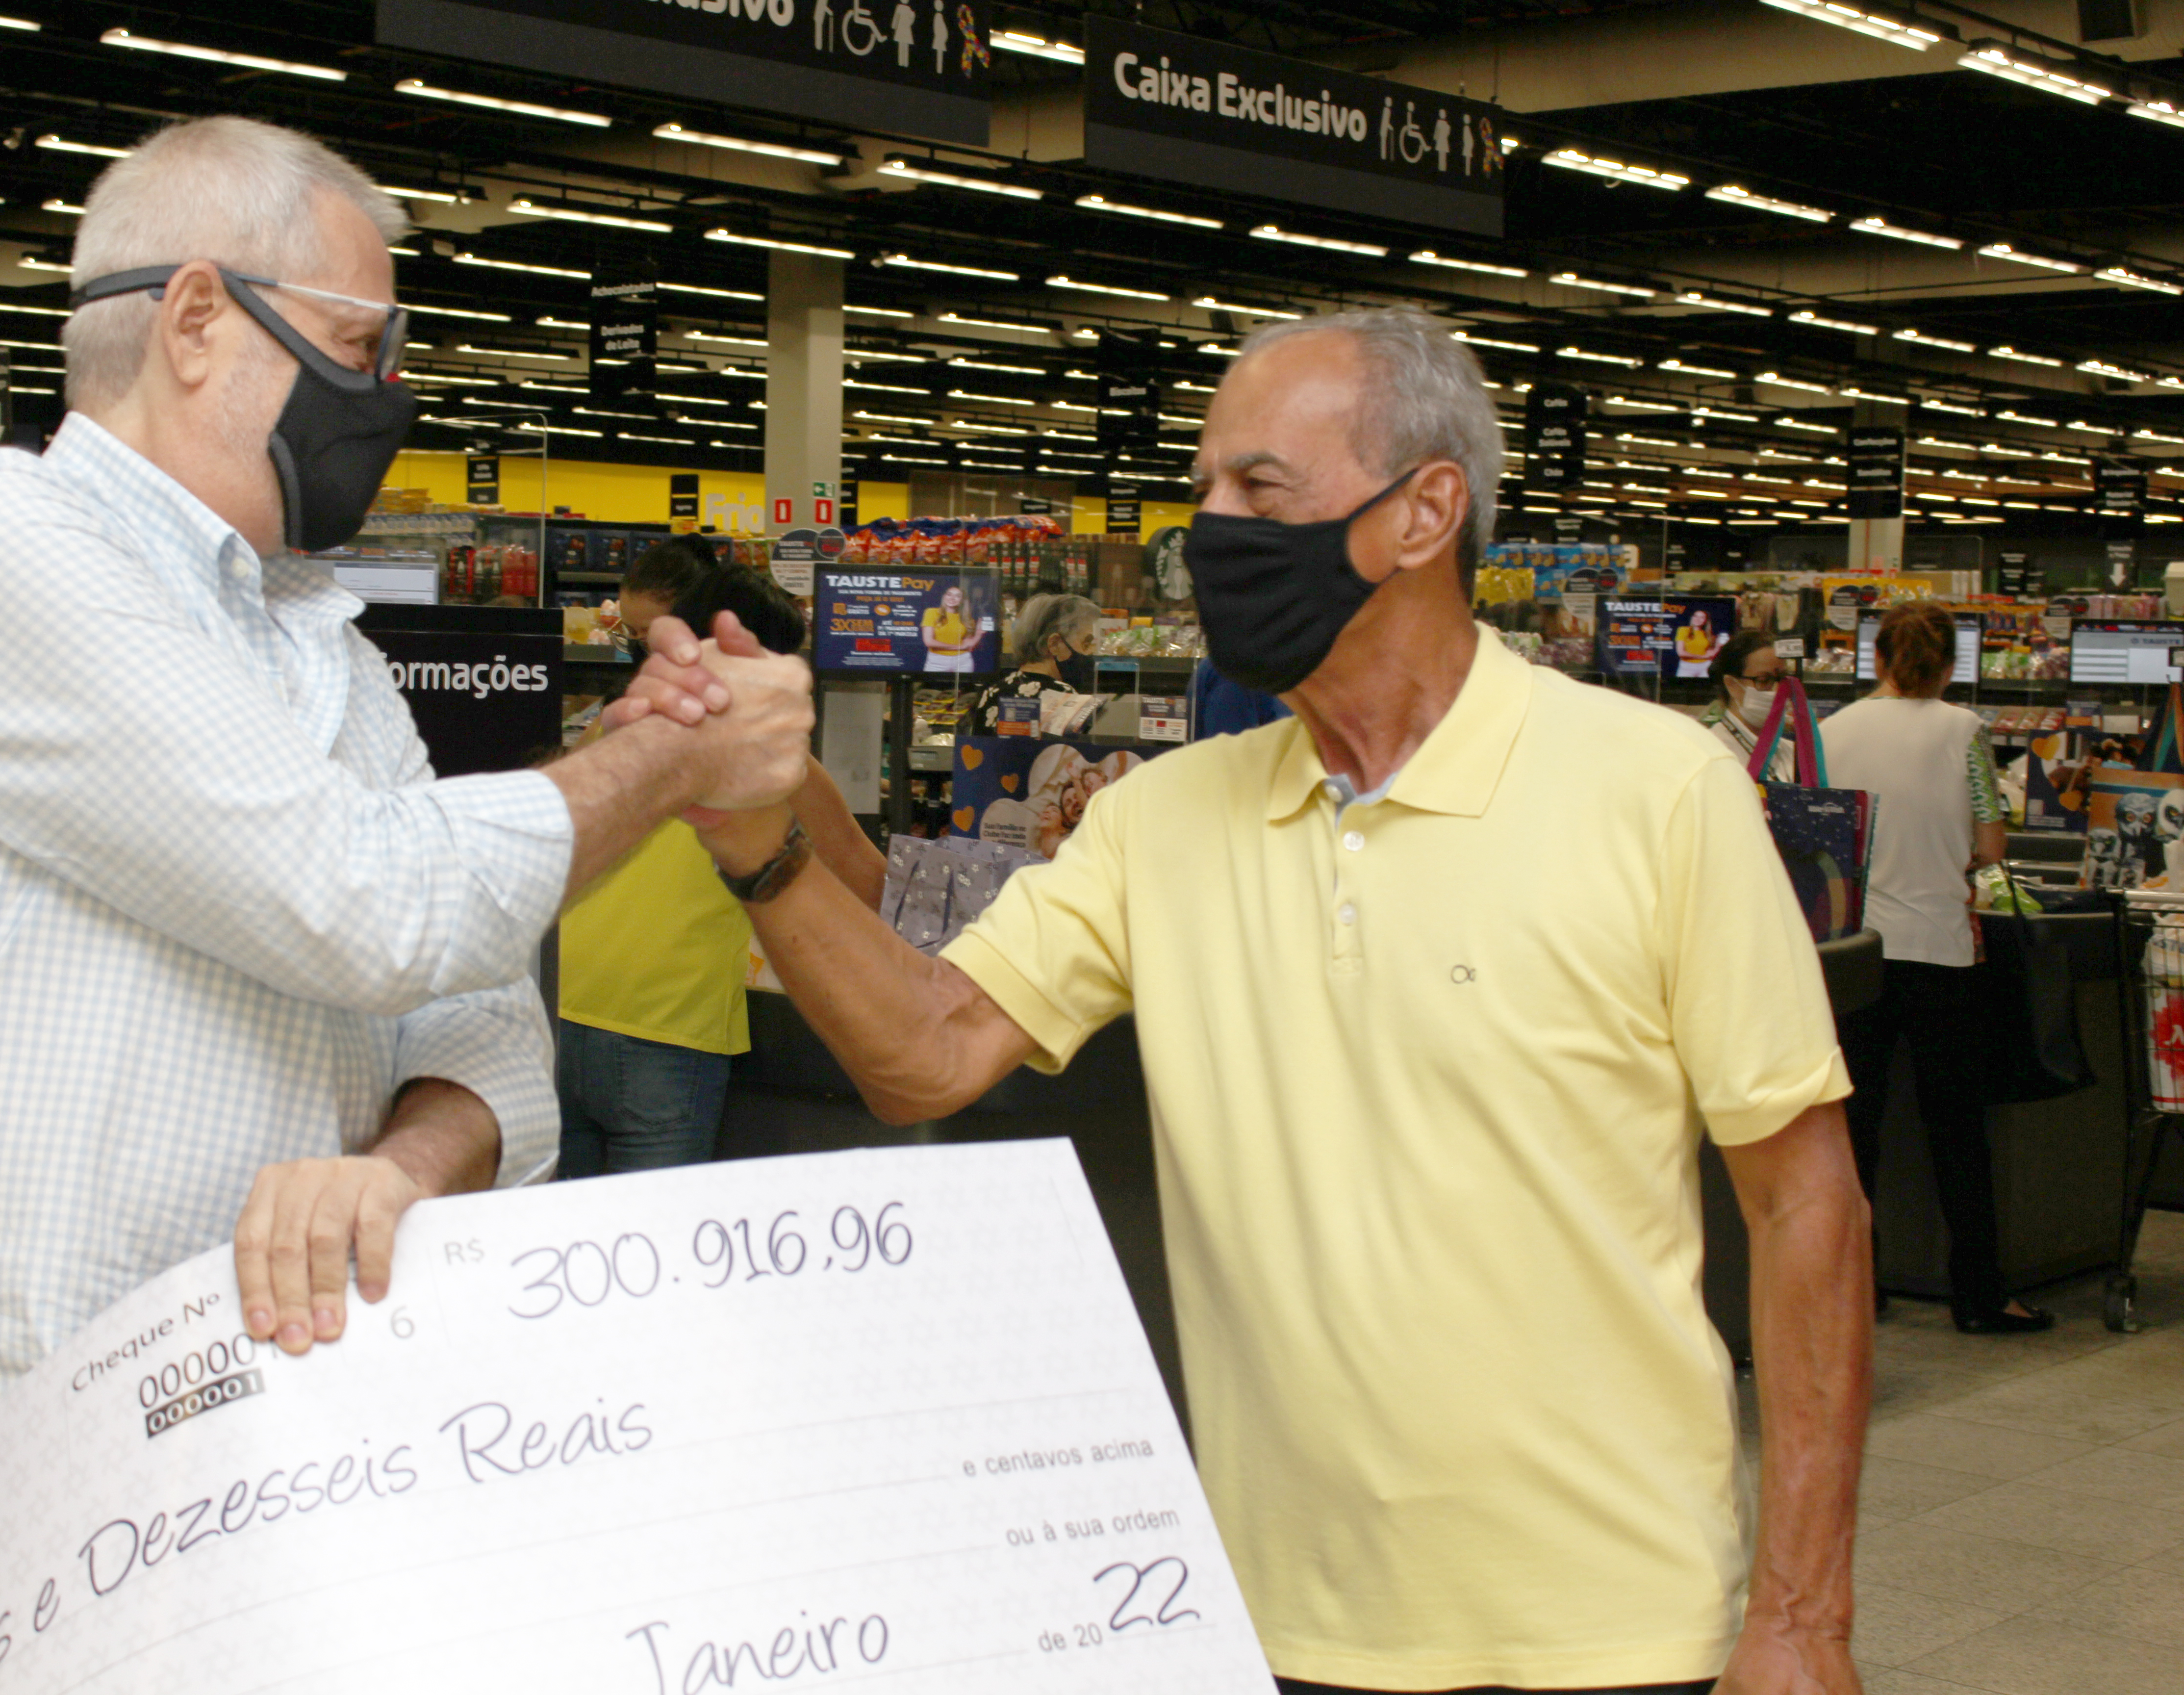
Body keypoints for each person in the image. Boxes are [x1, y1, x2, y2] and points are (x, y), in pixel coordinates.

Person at [628, 308, 1872, 1694]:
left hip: (1611, 1628)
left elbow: (1804, 1204)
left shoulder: (1658, 790)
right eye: (1204, 487)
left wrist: (1803, 1618)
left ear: (1425, 513)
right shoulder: (1161, 821)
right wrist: (759, 841)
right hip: (1266, 1625)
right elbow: (924, 1054)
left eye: (1257, 490)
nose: (1204, 531)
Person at [0, 116, 813, 1635]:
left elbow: (487, 1041)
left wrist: (395, 1174)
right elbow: (370, 897)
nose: (382, 396)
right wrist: (668, 758)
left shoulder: (319, 652)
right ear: (197, 320)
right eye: (357, 344)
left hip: (247, 1477)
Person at [558, 552, 884, 1177]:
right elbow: (867, 882)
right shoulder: (776, 764)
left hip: (565, 1011)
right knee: (657, 1255)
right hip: (666, 1028)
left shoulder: (615, 725)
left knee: (577, 1250)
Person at [1820, 602, 2045, 1334]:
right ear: (1950, 665)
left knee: (1856, 1130)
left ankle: (1859, 1286)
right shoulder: (1965, 732)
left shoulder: (1830, 734)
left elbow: (1816, 842)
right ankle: (1980, 1296)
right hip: (1940, 952)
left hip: (1854, 954)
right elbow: (1990, 843)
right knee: (1957, 1129)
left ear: (1877, 659)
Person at [960, 591, 1099, 735]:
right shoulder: (1065, 696)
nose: (1090, 653)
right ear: (1055, 644)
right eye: (1086, 644)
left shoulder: (991, 692)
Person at [1699, 628, 1799, 782]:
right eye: (1764, 680)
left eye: (1783, 680)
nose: (1778, 691)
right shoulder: (1708, 753)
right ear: (1732, 685)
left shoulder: (1794, 753)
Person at [920, 580, 984, 672]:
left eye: (958, 596)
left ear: (963, 600)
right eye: (949, 594)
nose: (952, 598)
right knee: (932, 686)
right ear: (944, 597)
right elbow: (929, 642)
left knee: (963, 686)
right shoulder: (931, 612)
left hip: (963, 661)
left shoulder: (968, 619)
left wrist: (979, 634)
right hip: (937, 661)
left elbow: (970, 646)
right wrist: (960, 647)